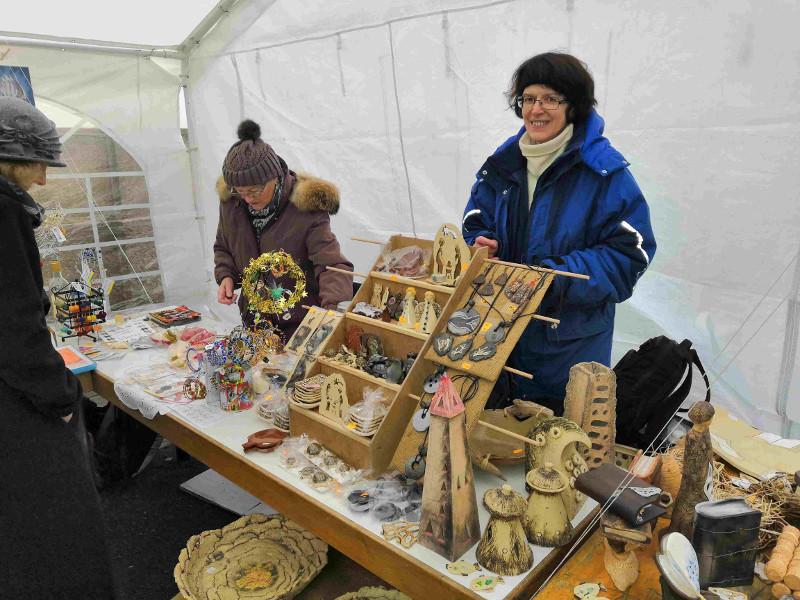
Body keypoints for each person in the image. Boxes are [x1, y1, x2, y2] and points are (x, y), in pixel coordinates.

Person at [462, 52, 656, 413]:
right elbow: (475, 218)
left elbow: (632, 252)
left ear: (574, 106)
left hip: (567, 346)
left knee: (561, 451)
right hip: (500, 337)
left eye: (551, 99)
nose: (537, 110)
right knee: (503, 444)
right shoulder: (502, 165)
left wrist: (558, 278)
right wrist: (480, 243)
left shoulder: (603, 172)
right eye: (529, 99)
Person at [0, 96, 117, 597]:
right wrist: (61, 398)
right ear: (11, 157)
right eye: (38, 165)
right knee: (58, 521)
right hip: (17, 404)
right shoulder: (4, 212)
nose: (43, 179)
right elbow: (17, 325)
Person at [214, 119, 353, 337]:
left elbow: (331, 265)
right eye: (240, 191)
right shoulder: (232, 203)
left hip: (300, 328)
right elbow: (223, 245)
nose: (248, 198)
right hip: (256, 326)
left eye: (255, 190)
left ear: (275, 178)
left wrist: (331, 313)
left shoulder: (306, 209)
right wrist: (226, 276)